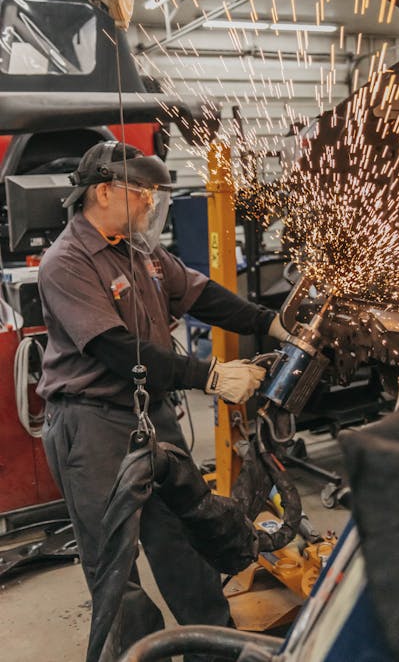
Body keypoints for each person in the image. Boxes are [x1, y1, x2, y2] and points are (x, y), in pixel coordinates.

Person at [37, 140, 289, 662]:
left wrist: (268, 322)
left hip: (150, 415)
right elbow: (117, 351)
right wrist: (211, 375)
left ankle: (214, 648)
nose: (151, 205)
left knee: (185, 534)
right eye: (143, 194)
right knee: (114, 562)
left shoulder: (141, 250)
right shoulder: (67, 261)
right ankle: (140, 651)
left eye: (156, 196)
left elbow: (202, 295)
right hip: (92, 424)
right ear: (103, 191)